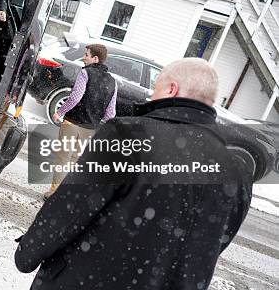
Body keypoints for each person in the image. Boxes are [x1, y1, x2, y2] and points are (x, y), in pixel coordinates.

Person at [14, 58, 254, 290]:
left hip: (89, 278)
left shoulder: (127, 135)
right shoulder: (237, 170)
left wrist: (29, 251)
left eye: (156, 88)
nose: (151, 96)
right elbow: (213, 243)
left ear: (172, 89)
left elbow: (72, 206)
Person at [44, 43, 117, 199]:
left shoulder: (85, 73)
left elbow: (75, 97)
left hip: (73, 122)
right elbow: (110, 113)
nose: (84, 57)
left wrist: (59, 112)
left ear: (95, 58)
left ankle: (54, 193)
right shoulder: (113, 82)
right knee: (76, 161)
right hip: (90, 128)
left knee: (63, 158)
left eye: (86, 54)